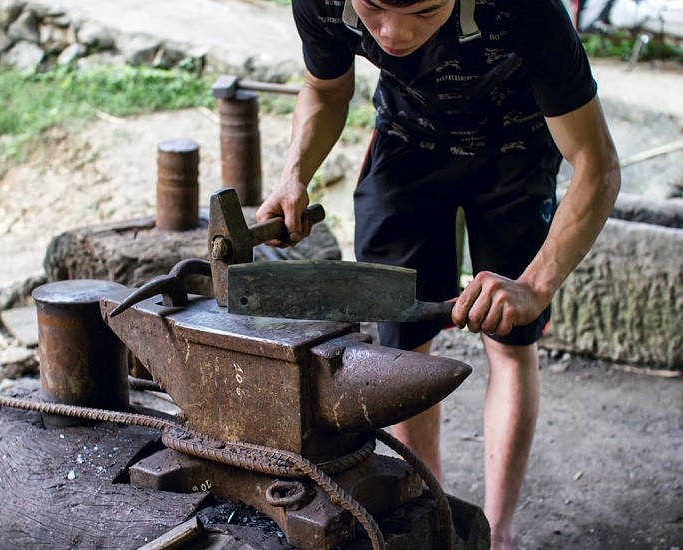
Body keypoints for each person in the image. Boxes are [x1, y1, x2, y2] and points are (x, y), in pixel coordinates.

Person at [255, 0, 621, 547]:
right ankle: (431, 519)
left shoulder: (528, 10)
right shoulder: (322, 1)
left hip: (517, 144)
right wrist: (293, 174)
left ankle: (499, 534)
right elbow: (327, 89)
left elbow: (597, 163)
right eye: (374, 7)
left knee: (509, 339)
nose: (395, 34)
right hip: (408, 139)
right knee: (401, 340)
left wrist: (534, 286)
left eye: (424, 10)